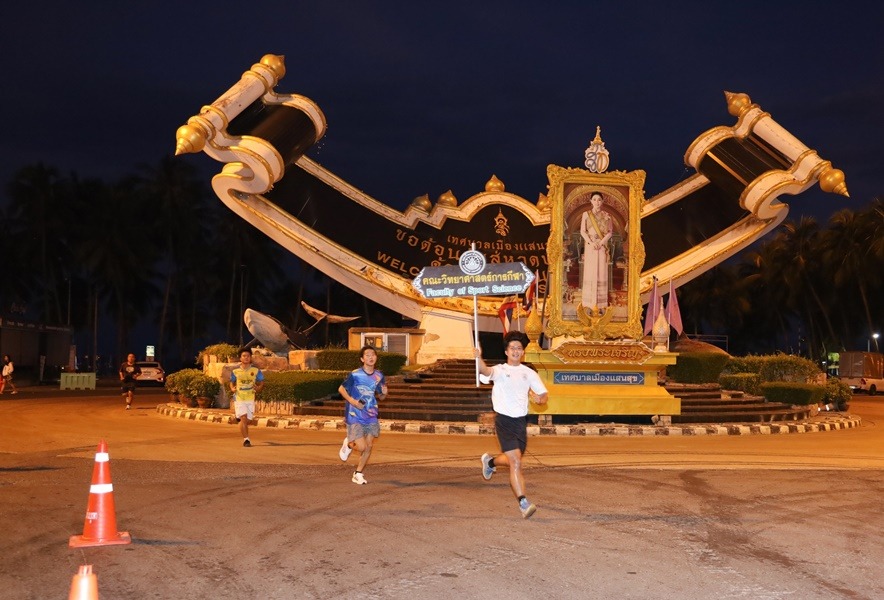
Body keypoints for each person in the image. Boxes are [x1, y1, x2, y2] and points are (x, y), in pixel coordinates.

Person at [476, 331, 549, 518]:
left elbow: (544, 395)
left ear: (522, 352)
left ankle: (490, 462)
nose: (516, 351)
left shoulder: (529, 373)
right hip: (504, 421)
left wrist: (540, 399)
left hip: (520, 423)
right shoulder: (500, 370)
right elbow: (486, 372)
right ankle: (524, 504)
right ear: (506, 352)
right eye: (512, 348)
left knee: (513, 460)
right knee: (515, 461)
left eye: (519, 348)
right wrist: (478, 358)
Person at [337, 345, 387, 484]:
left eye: (373, 355)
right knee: (362, 447)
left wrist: (384, 393)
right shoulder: (355, 374)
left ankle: (358, 473)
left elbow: (381, 397)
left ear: (376, 357)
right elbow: (341, 389)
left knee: (369, 446)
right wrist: (352, 401)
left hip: (371, 414)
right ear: (362, 359)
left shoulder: (379, 376)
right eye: (367, 355)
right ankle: (349, 444)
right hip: (355, 414)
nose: (371, 357)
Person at [580, 192, 613, 311]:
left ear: (602, 202)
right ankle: (588, 303)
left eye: (599, 200)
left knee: (601, 272)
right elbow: (582, 231)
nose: (597, 202)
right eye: (594, 199)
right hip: (591, 246)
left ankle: (601, 304)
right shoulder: (586, 214)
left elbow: (610, 232)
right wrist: (591, 242)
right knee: (590, 272)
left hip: (601, 246)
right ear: (591, 201)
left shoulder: (607, 215)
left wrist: (601, 242)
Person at [230, 350, 264, 447]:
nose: (246, 357)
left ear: (250, 358)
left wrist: (259, 388)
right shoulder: (235, 371)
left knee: (248, 420)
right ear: (240, 358)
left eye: (248, 356)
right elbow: (231, 382)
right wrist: (232, 388)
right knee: (244, 418)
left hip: (250, 398)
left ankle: (239, 420)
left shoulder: (256, 371)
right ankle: (246, 440)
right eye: (244, 356)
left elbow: (262, 382)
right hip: (239, 398)